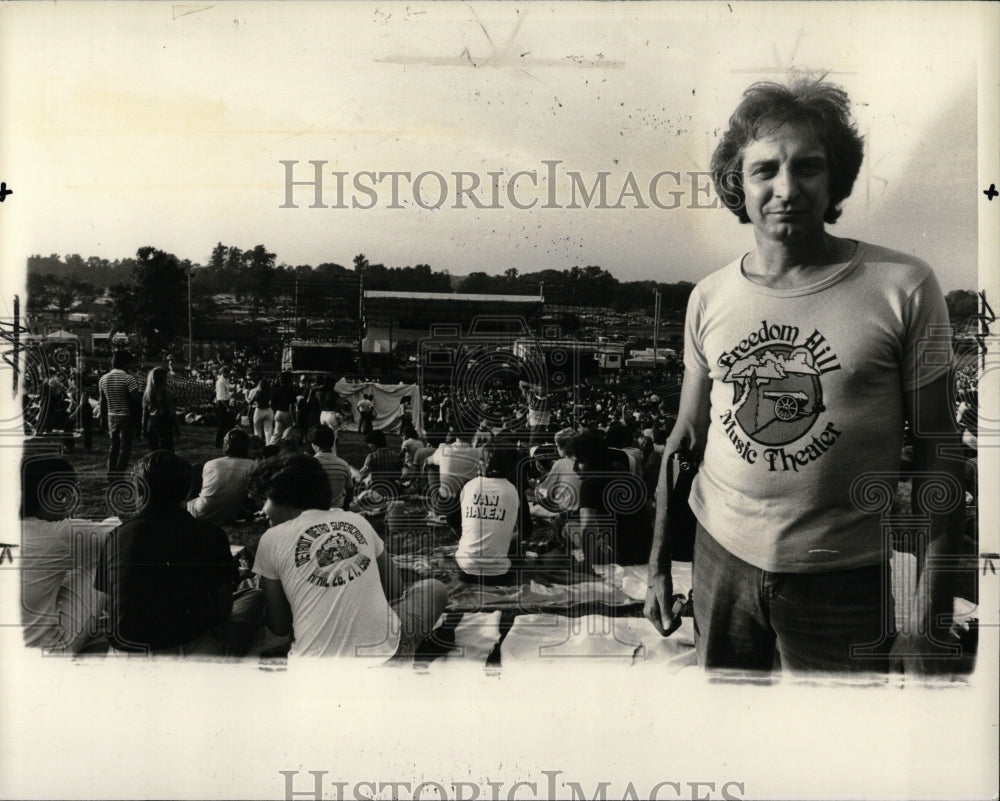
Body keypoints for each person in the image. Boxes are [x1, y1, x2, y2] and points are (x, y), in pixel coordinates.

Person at [644, 77, 966, 676]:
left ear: (836, 179)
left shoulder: (904, 286)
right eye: (764, 169)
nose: (786, 189)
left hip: (844, 576)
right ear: (737, 183)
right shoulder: (708, 297)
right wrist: (659, 564)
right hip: (720, 561)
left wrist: (927, 613)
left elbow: (938, 453)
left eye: (809, 167)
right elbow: (683, 442)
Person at [249, 454, 448, 660]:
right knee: (433, 588)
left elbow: (279, 627)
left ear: (288, 499)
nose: (263, 510)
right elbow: (394, 590)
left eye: (266, 499)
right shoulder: (356, 521)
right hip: (384, 663)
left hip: (312, 679)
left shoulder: (270, 540)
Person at [95, 450, 263, 656]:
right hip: (189, 650)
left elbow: (108, 604)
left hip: (124, 655)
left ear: (139, 489)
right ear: (187, 491)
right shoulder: (210, 534)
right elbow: (223, 610)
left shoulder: (116, 536)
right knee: (253, 597)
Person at [19, 456, 116, 653]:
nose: (72, 500)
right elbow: (119, 534)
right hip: (47, 654)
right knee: (101, 559)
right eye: (67, 491)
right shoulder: (58, 534)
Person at [456, 442, 521, 584]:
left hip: (465, 570)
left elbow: (454, 521)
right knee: (518, 547)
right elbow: (521, 529)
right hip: (499, 576)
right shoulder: (512, 490)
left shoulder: (469, 485)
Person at [186, 428, 257, 525]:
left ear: (226, 445)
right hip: (229, 514)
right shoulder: (252, 465)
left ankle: (189, 498)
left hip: (200, 513)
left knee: (196, 467)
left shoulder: (210, 463)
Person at [98, 350, 142, 480]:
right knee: (125, 448)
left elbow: (102, 402)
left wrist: (102, 418)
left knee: (114, 446)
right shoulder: (129, 378)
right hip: (126, 416)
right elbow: (136, 399)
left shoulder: (103, 378)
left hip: (111, 416)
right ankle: (119, 474)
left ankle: (110, 474)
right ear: (126, 363)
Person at [308, 424, 354, 510]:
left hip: (315, 511)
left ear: (314, 444)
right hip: (337, 510)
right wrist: (345, 507)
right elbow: (350, 491)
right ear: (332, 442)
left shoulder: (309, 464)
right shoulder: (343, 465)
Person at [141, 366, 179, 452]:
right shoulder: (167, 393)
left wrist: (143, 428)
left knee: (154, 450)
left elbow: (145, 413)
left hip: (152, 422)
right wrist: (176, 426)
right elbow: (172, 412)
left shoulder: (147, 394)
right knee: (167, 449)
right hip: (165, 422)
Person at [270, 372, 297, 445]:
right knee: (289, 432)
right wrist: (294, 420)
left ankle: (270, 447)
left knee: (277, 433)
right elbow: (291, 407)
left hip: (278, 412)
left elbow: (271, 403)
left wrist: (275, 411)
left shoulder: (276, 390)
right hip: (287, 413)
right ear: (288, 381)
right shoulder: (291, 391)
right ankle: (287, 448)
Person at [247, 376, 274, 445]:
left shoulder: (257, 393)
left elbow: (250, 402)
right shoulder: (270, 392)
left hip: (259, 411)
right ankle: (269, 445)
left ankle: (258, 445)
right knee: (268, 430)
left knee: (257, 430)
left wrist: (246, 396)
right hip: (268, 410)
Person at [214, 366, 235, 450]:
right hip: (222, 404)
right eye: (225, 373)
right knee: (222, 424)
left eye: (228, 373)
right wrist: (227, 407)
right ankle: (218, 443)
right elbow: (221, 397)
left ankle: (226, 440)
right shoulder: (220, 382)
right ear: (222, 373)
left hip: (226, 402)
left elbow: (227, 393)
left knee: (231, 423)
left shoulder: (226, 380)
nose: (227, 374)